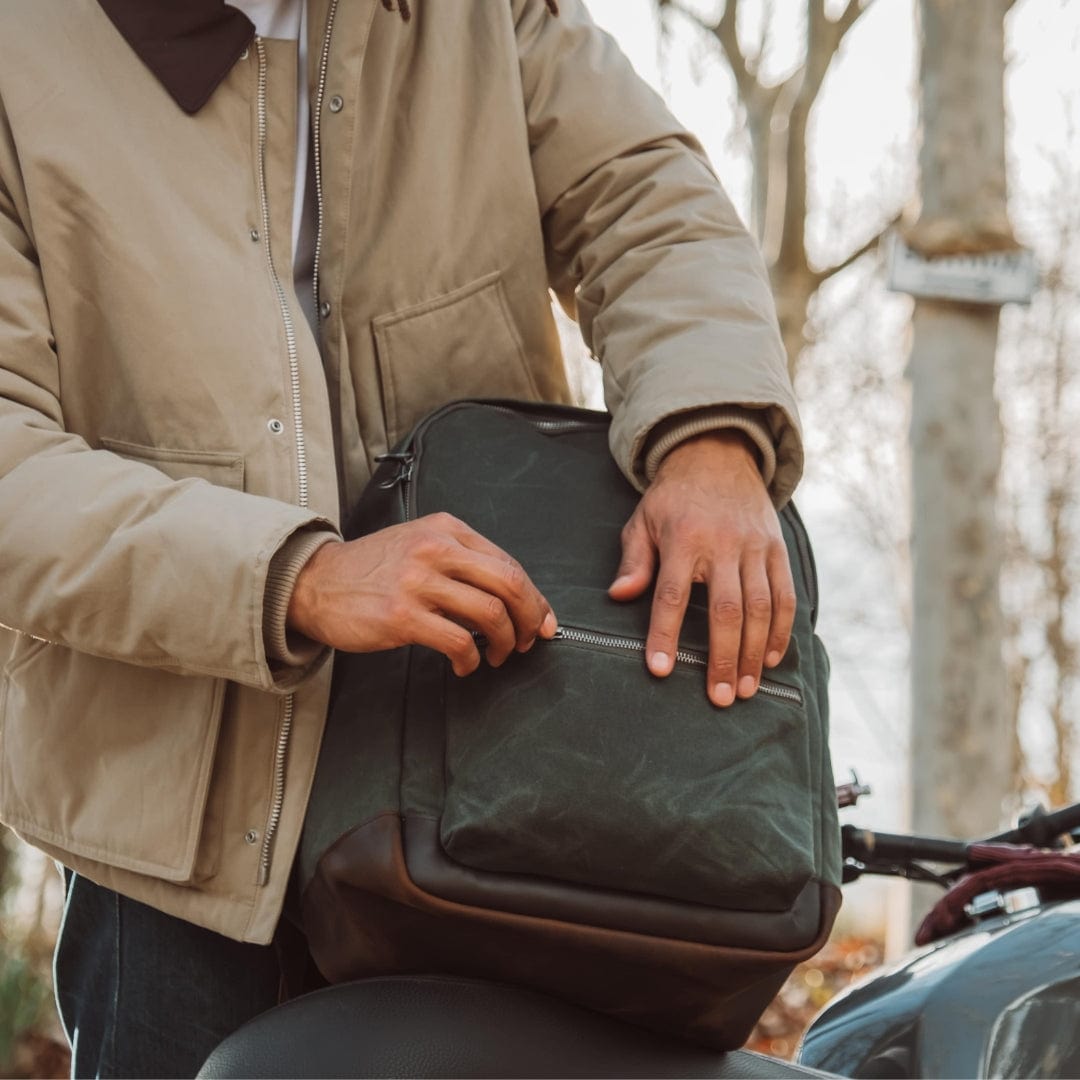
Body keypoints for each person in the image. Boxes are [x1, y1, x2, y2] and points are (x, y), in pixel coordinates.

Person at [0, 0, 802, 1075]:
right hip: (174, 827)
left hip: (493, 762)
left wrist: (710, 435)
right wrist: (297, 580)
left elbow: (643, 197)